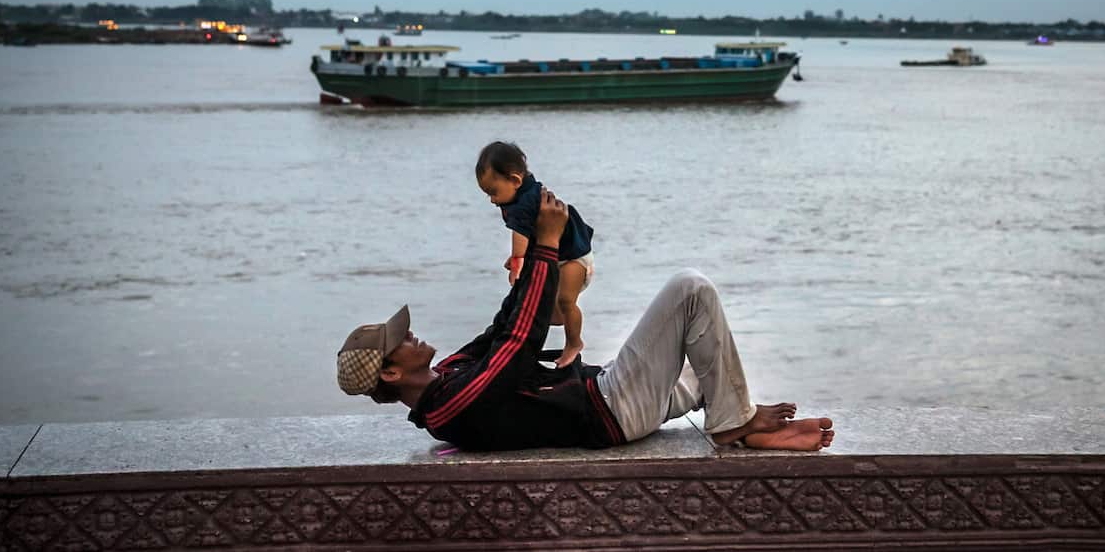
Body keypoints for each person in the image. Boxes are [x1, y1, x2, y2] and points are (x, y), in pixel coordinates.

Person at [336, 186, 835, 453]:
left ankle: (738, 420)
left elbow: (501, 328)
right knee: (691, 289)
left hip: (613, 400)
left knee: (707, 359)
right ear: (390, 372)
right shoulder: (448, 406)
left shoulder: (448, 375)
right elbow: (516, 347)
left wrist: (534, 244)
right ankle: (733, 425)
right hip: (611, 410)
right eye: (398, 340)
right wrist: (549, 247)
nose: (409, 334)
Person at [475, 141, 594, 368]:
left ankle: (574, 343)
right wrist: (520, 255)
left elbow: (520, 232)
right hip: (554, 256)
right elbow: (531, 233)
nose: (491, 199)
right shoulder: (522, 195)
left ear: (515, 180)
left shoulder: (525, 202)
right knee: (546, 310)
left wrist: (518, 260)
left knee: (566, 302)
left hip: (574, 257)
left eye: (493, 192)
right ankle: (527, 348)